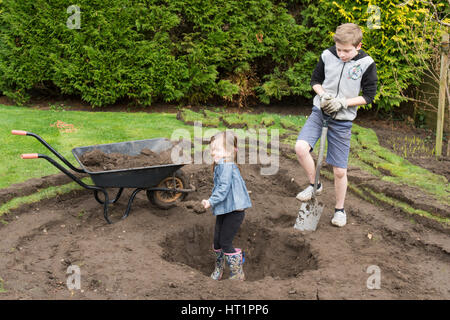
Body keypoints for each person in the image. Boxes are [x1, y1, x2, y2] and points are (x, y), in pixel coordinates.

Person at [295, 23, 377, 227]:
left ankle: (339, 210)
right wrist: (323, 95)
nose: (342, 54)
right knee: (300, 148)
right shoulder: (327, 55)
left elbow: (368, 96)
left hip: (342, 121)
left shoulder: (366, 63)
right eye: (339, 49)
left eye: (347, 51)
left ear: (358, 46)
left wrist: (343, 103)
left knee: (339, 171)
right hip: (319, 113)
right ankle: (315, 184)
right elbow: (315, 81)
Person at [201, 131, 252, 281]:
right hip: (225, 208)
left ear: (229, 151)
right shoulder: (221, 165)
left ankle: (237, 273)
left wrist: (210, 201)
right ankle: (219, 268)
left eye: (216, 149)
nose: (212, 152)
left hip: (234, 211)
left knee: (225, 242)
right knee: (217, 241)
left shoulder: (226, 166)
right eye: (212, 149)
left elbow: (222, 189)